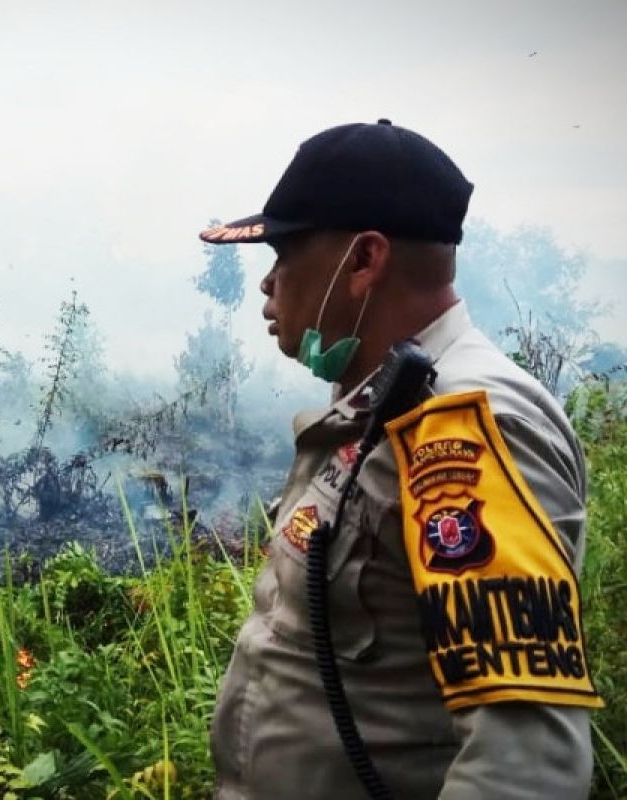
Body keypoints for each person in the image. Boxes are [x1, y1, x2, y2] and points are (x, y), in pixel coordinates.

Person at [199, 119, 602, 799]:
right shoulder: (384, 401)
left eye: (286, 251)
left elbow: (525, 768)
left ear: (364, 261)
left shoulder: (468, 425)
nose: (269, 283)